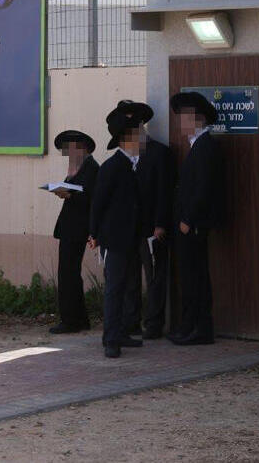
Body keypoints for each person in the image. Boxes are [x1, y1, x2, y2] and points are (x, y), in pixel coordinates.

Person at [106, 100, 176, 340]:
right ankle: (130, 321)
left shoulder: (160, 153)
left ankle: (154, 323)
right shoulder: (124, 158)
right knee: (130, 277)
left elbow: (164, 192)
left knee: (154, 275)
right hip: (129, 228)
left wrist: (160, 224)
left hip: (151, 227)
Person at [168, 91, 224, 346]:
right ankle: (188, 324)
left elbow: (204, 188)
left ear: (198, 119)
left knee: (197, 276)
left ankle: (201, 328)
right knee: (189, 276)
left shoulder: (206, 146)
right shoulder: (195, 147)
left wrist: (188, 219)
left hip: (195, 225)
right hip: (187, 224)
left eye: (185, 118)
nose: (181, 123)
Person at [89, 113, 144, 358]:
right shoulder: (111, 167)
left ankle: (121, 331)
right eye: (137, 133)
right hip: (114, 238)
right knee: (114, 287)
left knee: (128, 286)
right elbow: (98, 203)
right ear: (126, 139)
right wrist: (94, 233)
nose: (142, 137)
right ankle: (111, 338)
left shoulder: (135, 166)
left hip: (132, 237)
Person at [49, 130, 99, 334]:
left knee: (68, 273)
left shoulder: (91, 168)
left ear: (82, 148)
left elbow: (91, 198)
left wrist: (69, 195)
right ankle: (78, 318)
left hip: (79, 228)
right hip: (69, 227)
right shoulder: (76, 168)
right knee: (69, 273)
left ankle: (71, 320)